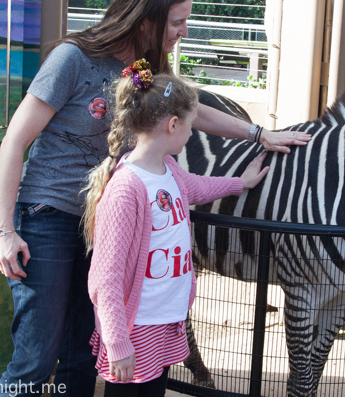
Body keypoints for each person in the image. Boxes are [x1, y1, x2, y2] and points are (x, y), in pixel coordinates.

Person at [0, 0, 310, 397]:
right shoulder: (73, 58)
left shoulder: (140, 69)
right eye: (177, 22)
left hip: (103, 224)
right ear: (146, 20)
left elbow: (191, 108)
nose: (182, 31)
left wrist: (259, 134)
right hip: (48, 214)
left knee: (83, 354)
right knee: (36, 357)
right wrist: (4, 231)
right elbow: (14, 141)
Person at [84, 66, 268, 396]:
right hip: (135, 328)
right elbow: (105, 277)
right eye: (191, 125)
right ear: (173, 125)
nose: (193, 133)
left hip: (164, 320)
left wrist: (242, 183)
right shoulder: (127, 188)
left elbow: (195, 187)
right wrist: (117, 342)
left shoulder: (167, 168)